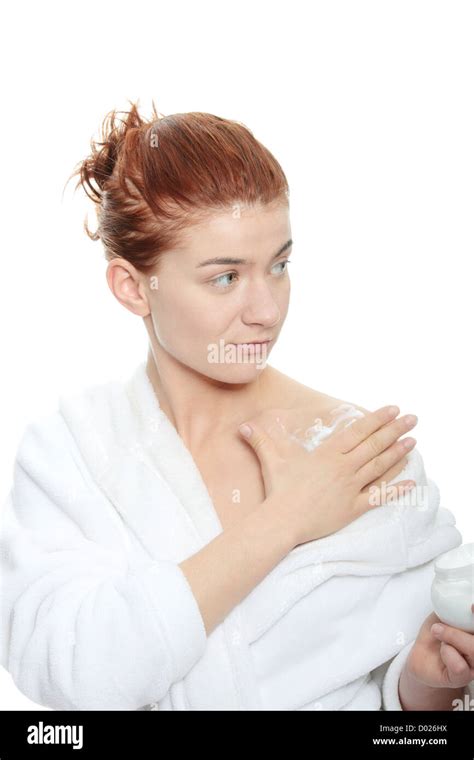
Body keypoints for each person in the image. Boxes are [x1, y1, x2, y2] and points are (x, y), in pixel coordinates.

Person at [1, 101, 472, 711]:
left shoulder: (360, 452)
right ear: (132, 286)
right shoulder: (72, 453)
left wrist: (423, 685)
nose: (267, 310)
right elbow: (80, 678)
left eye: (279, 266)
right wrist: (288, 519)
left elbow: (409, 713)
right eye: (225, 277)